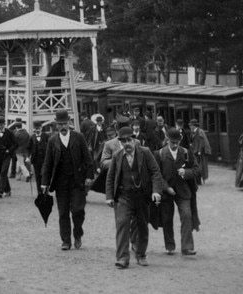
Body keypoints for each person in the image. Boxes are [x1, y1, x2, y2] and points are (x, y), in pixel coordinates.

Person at [105, 126, 164, 269]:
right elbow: (111, 176)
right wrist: (109, 196)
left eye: (129, 140)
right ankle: (122, 258)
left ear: (135, 140)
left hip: (142, 197)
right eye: (123, 141)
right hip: (124, 196)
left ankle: (141, 255)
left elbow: (156, 172)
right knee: (122, 224)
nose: (127, 144)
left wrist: (156, 191)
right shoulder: (117, 156)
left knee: (142, 226)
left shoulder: (145, 153)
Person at [41, 110, 95, 250]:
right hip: (60, 183)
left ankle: (77, 233)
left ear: (69, 123)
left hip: (77, 181)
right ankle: (66, 241)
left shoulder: (79, 137)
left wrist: (89, 176)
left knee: (78, 210)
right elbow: (48, 163)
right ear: (56, 125)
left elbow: (88, 159)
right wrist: (44, 183)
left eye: (65, 123)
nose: (63, 127)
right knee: (63, 212)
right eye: (60, 124)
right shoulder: (53, 141)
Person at [153, 128, 201, 255]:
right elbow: (156, 175)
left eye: (177, 142)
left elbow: (197, 170)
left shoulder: (186, 153)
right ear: (167, 140)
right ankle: (170, 246)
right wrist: (166, 188)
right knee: (167, 218)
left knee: (186, 216)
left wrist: (187, 172)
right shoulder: (159, 154)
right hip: (167, 192)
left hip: (183, 191)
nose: (175, 145)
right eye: (172, 142)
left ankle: (187, 247)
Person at [28, 120, 49, 193]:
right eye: (36, 129)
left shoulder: (46, 136)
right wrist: (28, 157)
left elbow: (50, 146)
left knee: (44, 174)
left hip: (45, 159)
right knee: (37, 176)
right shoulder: (32, 137)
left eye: (38, 128)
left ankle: (46, 191)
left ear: (41, 128)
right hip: (36, 159)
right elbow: (28, 148)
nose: (37, 130)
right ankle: (39, 192)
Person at [189, 119, 211, 185]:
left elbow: (202, 142)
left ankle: (198, 180)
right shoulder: (192, 132)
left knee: (199, 166)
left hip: (199, 152)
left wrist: (199, 151)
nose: (190, 127)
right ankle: (197, 180)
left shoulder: (200, 132)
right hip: (194, 151)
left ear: (194, 126)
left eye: (191, 125)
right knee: (196, 165)